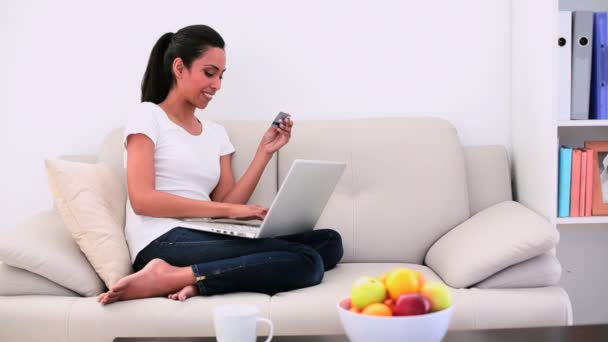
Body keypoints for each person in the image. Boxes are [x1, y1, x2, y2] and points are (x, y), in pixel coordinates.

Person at [97, 25, 343, 305]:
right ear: (179, 68)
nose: (217, 85)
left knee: (329, 242)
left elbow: (228, 201)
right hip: (161, 239)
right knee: (307, 261)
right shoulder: (148, 116)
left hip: (204, 232)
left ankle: (194, 278)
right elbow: (142, 200)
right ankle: (166, 276)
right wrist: (231, 210)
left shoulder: (216, 133)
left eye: (221, 76)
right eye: (209, 73)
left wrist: (264, 152)